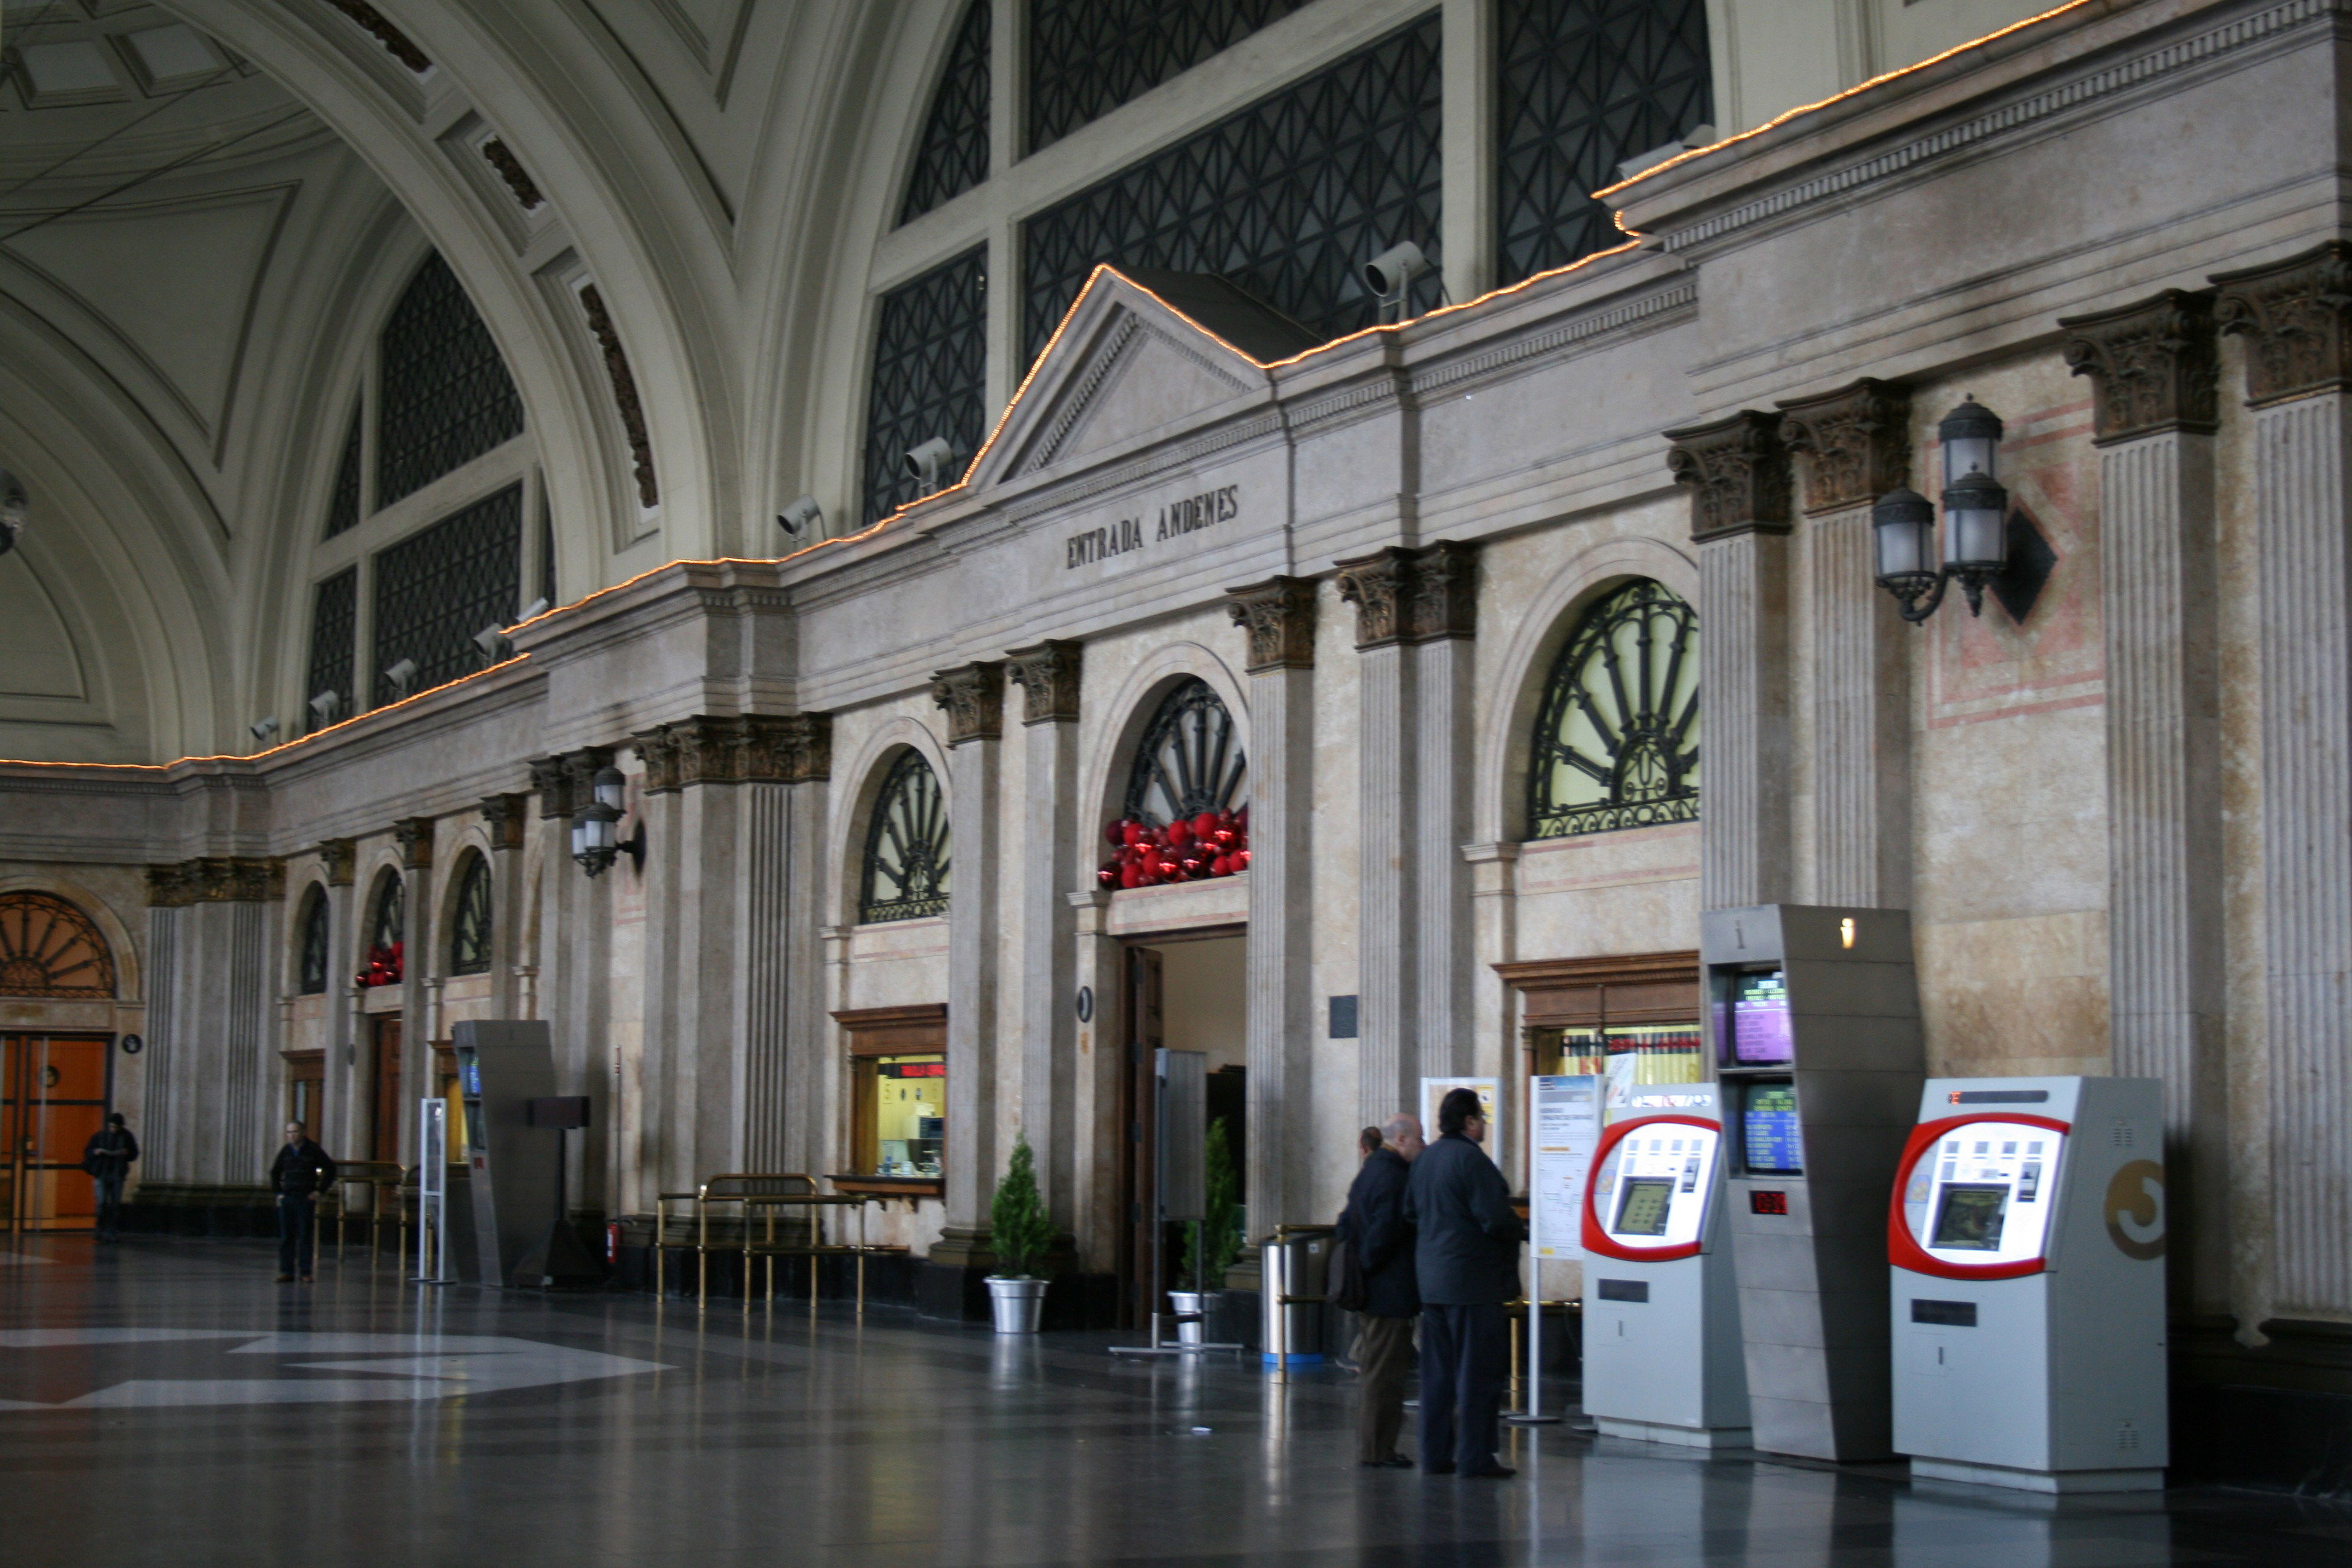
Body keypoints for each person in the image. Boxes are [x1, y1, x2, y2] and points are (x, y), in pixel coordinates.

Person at [1403, 1086, 1524, 1479]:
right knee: (1477, 1373)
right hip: (1472, 1284)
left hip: (1431, 1283)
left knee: (1438, 1374)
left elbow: (1410, 1213)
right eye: (1482, 1117)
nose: (1485, 1124)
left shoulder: (1426, 1160)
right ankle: (1475, 1456)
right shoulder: (1472, 1161)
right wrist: (1520, 1229)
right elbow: (1494, 1218)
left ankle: (1435, 1453)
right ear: (1470, 1122)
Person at [1342, 1112, 1423, 1468]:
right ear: (1401, 1140)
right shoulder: (1394, 1177)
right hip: (1388, 1292)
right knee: (1385, 1377)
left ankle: (1376, 1447)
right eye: (1419, 1139)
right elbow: (1384, 1234)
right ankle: (1377, 1449)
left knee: (1378, 1370)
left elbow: (1346, 1223)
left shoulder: (1370, 1171)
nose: (1423, 1147)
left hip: (1372, 1290)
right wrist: (1370, 1266)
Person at [269, 1120, 336, 1284]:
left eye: (295, 1132)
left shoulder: (313, 1150)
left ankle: (306, 1272)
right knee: (287, 1236)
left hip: (305, 1197)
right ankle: (287, 1271)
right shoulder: (286, 1151)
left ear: (303, 1132)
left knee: (305, 1235)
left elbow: (330, 1169)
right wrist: (279, 1193)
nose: (292, 1136)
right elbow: (275, 1172)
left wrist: (319, 1191)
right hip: (289, 1197)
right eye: (289, 1133)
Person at [81, 1112, 137, 1243]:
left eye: (116, 1127)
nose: (113, 1129)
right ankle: (100, 1228)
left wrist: (127, 1153)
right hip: (102, 1173)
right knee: (101, 1202)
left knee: (114, 1204)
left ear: (120, 1127)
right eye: (112, 1127)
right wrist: (95, 1152)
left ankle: (111, 1230)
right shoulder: (100, 1136)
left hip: (117, 1174)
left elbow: (134, 1154)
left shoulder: (127, 1137)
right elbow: (88, 1151)